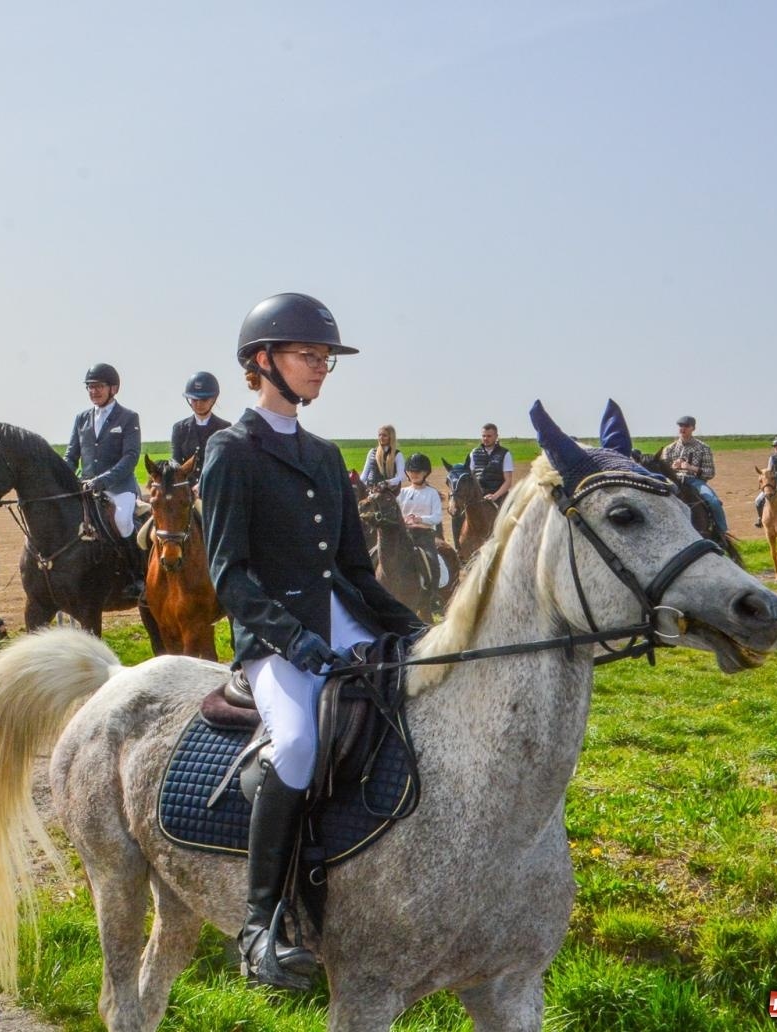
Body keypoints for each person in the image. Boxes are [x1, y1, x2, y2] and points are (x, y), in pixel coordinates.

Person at [200, 291, 426, 989]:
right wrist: (295, 643)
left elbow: (356, 570)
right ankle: (259, 925)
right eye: (308, 354)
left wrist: (414, 628)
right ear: (261, 362)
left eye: (326, 357)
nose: (321, 366)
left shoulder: (327, 456)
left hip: (349, 620)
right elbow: (230, 577)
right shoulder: (229, 452)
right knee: (296, 741)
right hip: (278, 639)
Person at [65, 362, 145, 598]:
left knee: (122, 520)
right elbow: (72, 455)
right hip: (87, 488)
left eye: (99, 386)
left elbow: (130, 457)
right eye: (90, 387)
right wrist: (63, 475)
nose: (94, 391)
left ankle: (136, 576)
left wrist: (103, 480)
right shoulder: (81, 418)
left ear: (114, 388)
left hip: (120, 489)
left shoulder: (129, 418)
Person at [660, 415, 728, 538]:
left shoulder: (703, 448)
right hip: (674, 481)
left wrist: (691, 468)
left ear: (693, 428)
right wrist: (672, 468)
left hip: (695, 481)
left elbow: (710, 472)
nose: (683, 429)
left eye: (686, 426)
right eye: (681, 426)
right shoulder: (669, 449)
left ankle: (722, 533)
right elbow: (663, 471)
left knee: (713, 502)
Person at [397, 453, 447, 615]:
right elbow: (395, 513)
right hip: (405, 535)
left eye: (418, 471)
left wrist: (420, 519)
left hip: (424, 536)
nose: (414, 474)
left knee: (433, 561)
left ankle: (434, 597)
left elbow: (437, 517)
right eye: (411, 471)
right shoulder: (402, 493)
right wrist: (403, 520)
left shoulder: (431, 493)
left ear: (426, 473)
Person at [169, 371, 231, 478]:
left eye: (204, 400)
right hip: (186, 489)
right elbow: (176, 463)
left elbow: (226, 464)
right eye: (194, 400)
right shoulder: (179, 428)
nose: (198, 404)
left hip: (214, 486)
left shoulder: (225, 428)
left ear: (213, 399)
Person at [360, 425, 402, 491]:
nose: (381, 437)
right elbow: (365, 474)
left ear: (391, 437)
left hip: (386, 490)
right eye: (379, 435)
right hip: (370, 489)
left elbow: (402, 476)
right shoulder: (372, 452)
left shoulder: (397, 455)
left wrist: (388, 482)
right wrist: (358, 483)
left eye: (384, 435)